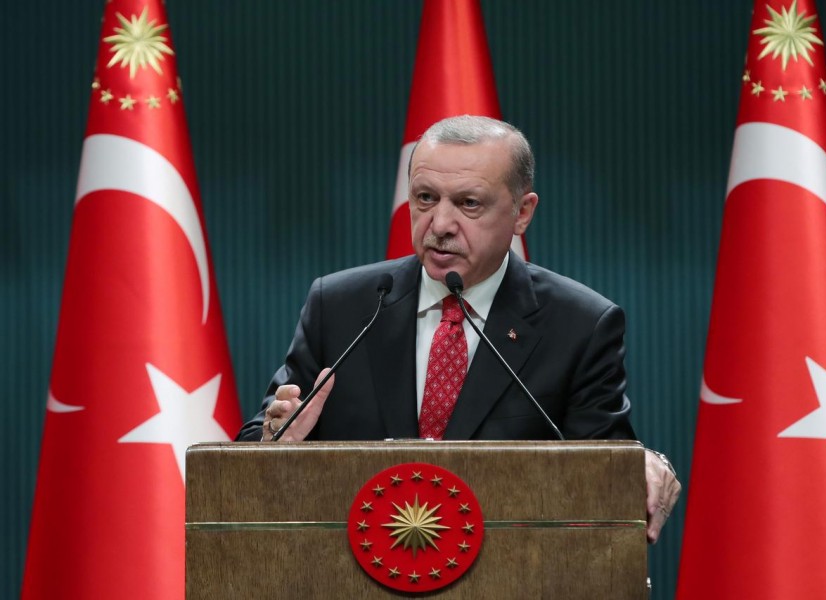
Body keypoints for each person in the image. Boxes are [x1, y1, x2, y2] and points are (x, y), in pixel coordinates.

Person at [237, 115, 681, 543]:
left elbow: (607, 464)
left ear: (522, 213)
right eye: (426, 198)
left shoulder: (580, 325)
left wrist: (642, 464)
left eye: (469, 203)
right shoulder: (341, 306)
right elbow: (262, 437)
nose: (440, 225)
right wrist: (273, 441)